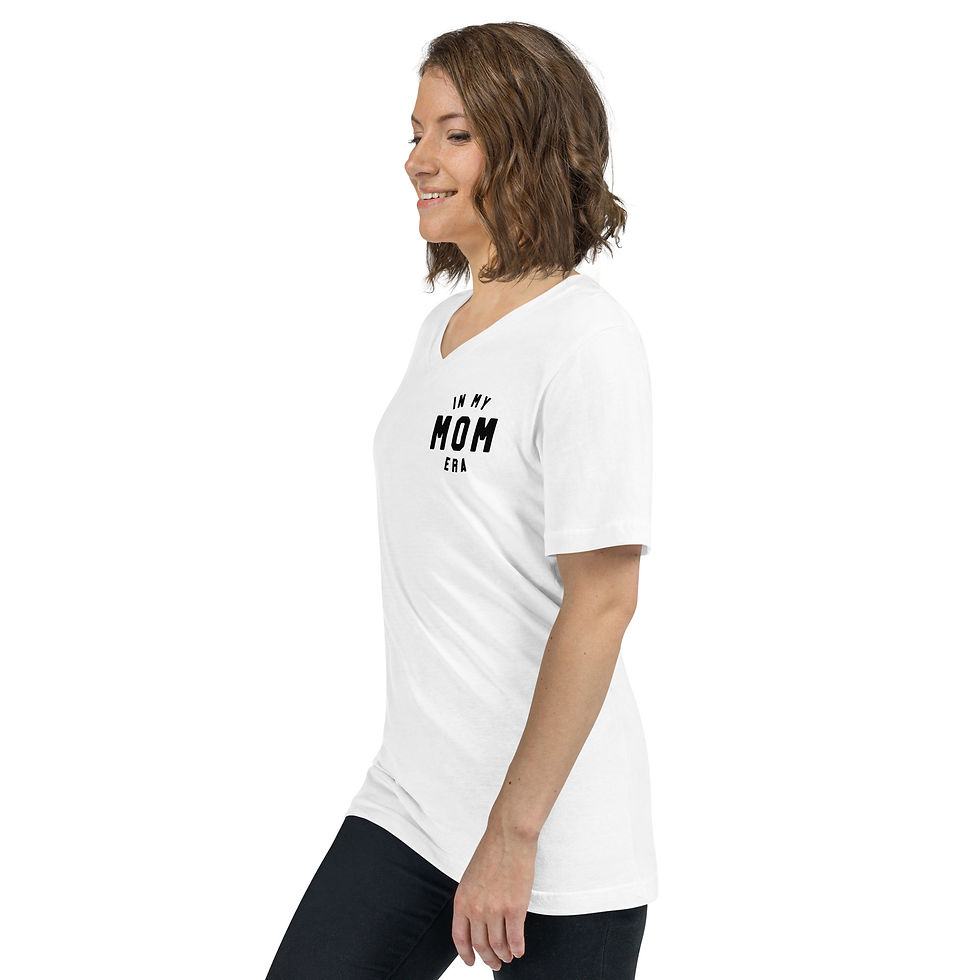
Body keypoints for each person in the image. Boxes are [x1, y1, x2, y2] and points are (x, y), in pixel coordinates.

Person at [264, 22, 655, 979]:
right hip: (412, 803)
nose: (417, 160)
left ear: (528, 144)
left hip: (556, 839)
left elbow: (603, 601)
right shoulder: (442, 330)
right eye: (414, 132)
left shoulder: (586, 340)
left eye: (456, 134)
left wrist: (514, 834)